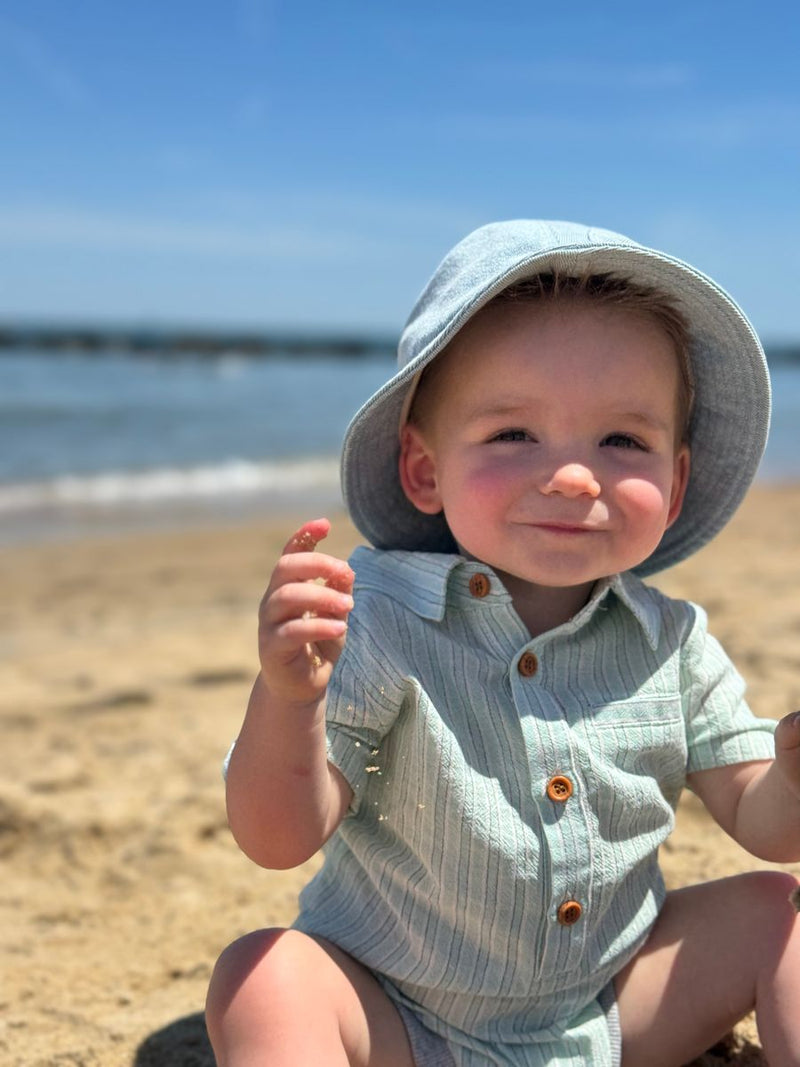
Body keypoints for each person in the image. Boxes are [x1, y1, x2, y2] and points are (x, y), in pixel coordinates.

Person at [205, 220, 800, 1067]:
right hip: (393, 1019)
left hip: (607, 1012)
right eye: (513, 433)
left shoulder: (674, 643)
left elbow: (761, 816)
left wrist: (792, 778)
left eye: (623, 440)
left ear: (675, 485)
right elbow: (276, 837)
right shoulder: (377, 620)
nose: (571, 474)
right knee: (262, 976)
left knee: (784, 911)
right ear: (425, 469)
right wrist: (288, 699)